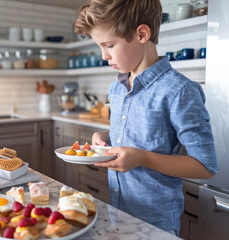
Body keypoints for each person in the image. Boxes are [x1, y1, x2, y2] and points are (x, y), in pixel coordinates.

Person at [75, 0, 218, 236]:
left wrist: (142, 158)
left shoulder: (180, 91)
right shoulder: (117, 87)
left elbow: (206, 166)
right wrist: (104, 137)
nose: (104, 56)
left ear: (142, 34)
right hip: (118, 213)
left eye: (109, 45)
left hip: (156, 224)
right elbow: (135, 134)